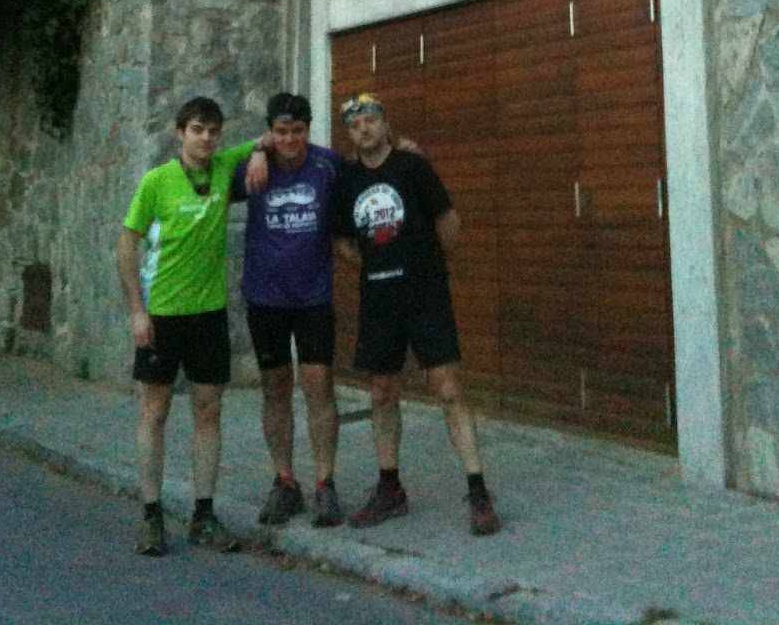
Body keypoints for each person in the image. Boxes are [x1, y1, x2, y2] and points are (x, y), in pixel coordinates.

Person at [333, 93, 501, 537]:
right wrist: (375, 266)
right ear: (349, 134)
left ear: (385, 124)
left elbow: (448, 220)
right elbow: (344, 242)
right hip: (379, 301)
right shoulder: (347, 180)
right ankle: (390, 489)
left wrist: (432, 266)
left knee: (449, 389)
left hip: (426, 296)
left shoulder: (413, 167)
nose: (364, 129)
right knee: (382, 391)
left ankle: (478, 490)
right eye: (355, 125)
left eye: (371, 120)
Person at [116, 95, 270, 557]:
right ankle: (151, 515)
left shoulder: (223, 167)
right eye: (197, 129)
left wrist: (258, 154)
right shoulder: (156, 182)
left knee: (209, 409)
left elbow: (266, 139)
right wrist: (137, 312)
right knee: (155, 410)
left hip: (209, 315)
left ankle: (204, 515)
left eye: (213, 131)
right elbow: (126, 245)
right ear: (180, 132)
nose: (206, 138)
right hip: (162, 314)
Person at [230, 92, 345, 529]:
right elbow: (207, 173)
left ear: (308, 130)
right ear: (270, 132)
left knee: (319, 386)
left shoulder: (328, 165)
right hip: (266, 297)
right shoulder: (251, 166)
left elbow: (371, 175)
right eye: (280, 132)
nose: (290, 140)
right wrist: (257, 150)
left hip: (314, 297)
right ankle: (284, 482)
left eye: (297, 131)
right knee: (275, 388)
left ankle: (325, 484)